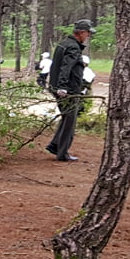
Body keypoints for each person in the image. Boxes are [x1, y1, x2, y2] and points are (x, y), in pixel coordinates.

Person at [46, 19, 94, 162]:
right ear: (81, 33)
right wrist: (63, 86)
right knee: (70, 121)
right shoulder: (73, 47)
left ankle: (55, 145)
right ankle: (62, 153)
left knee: (67, 117)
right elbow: (65, 67)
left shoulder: (64, 43)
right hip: (68, 90)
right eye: (87, 33)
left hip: (61, 87)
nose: (88, 36)